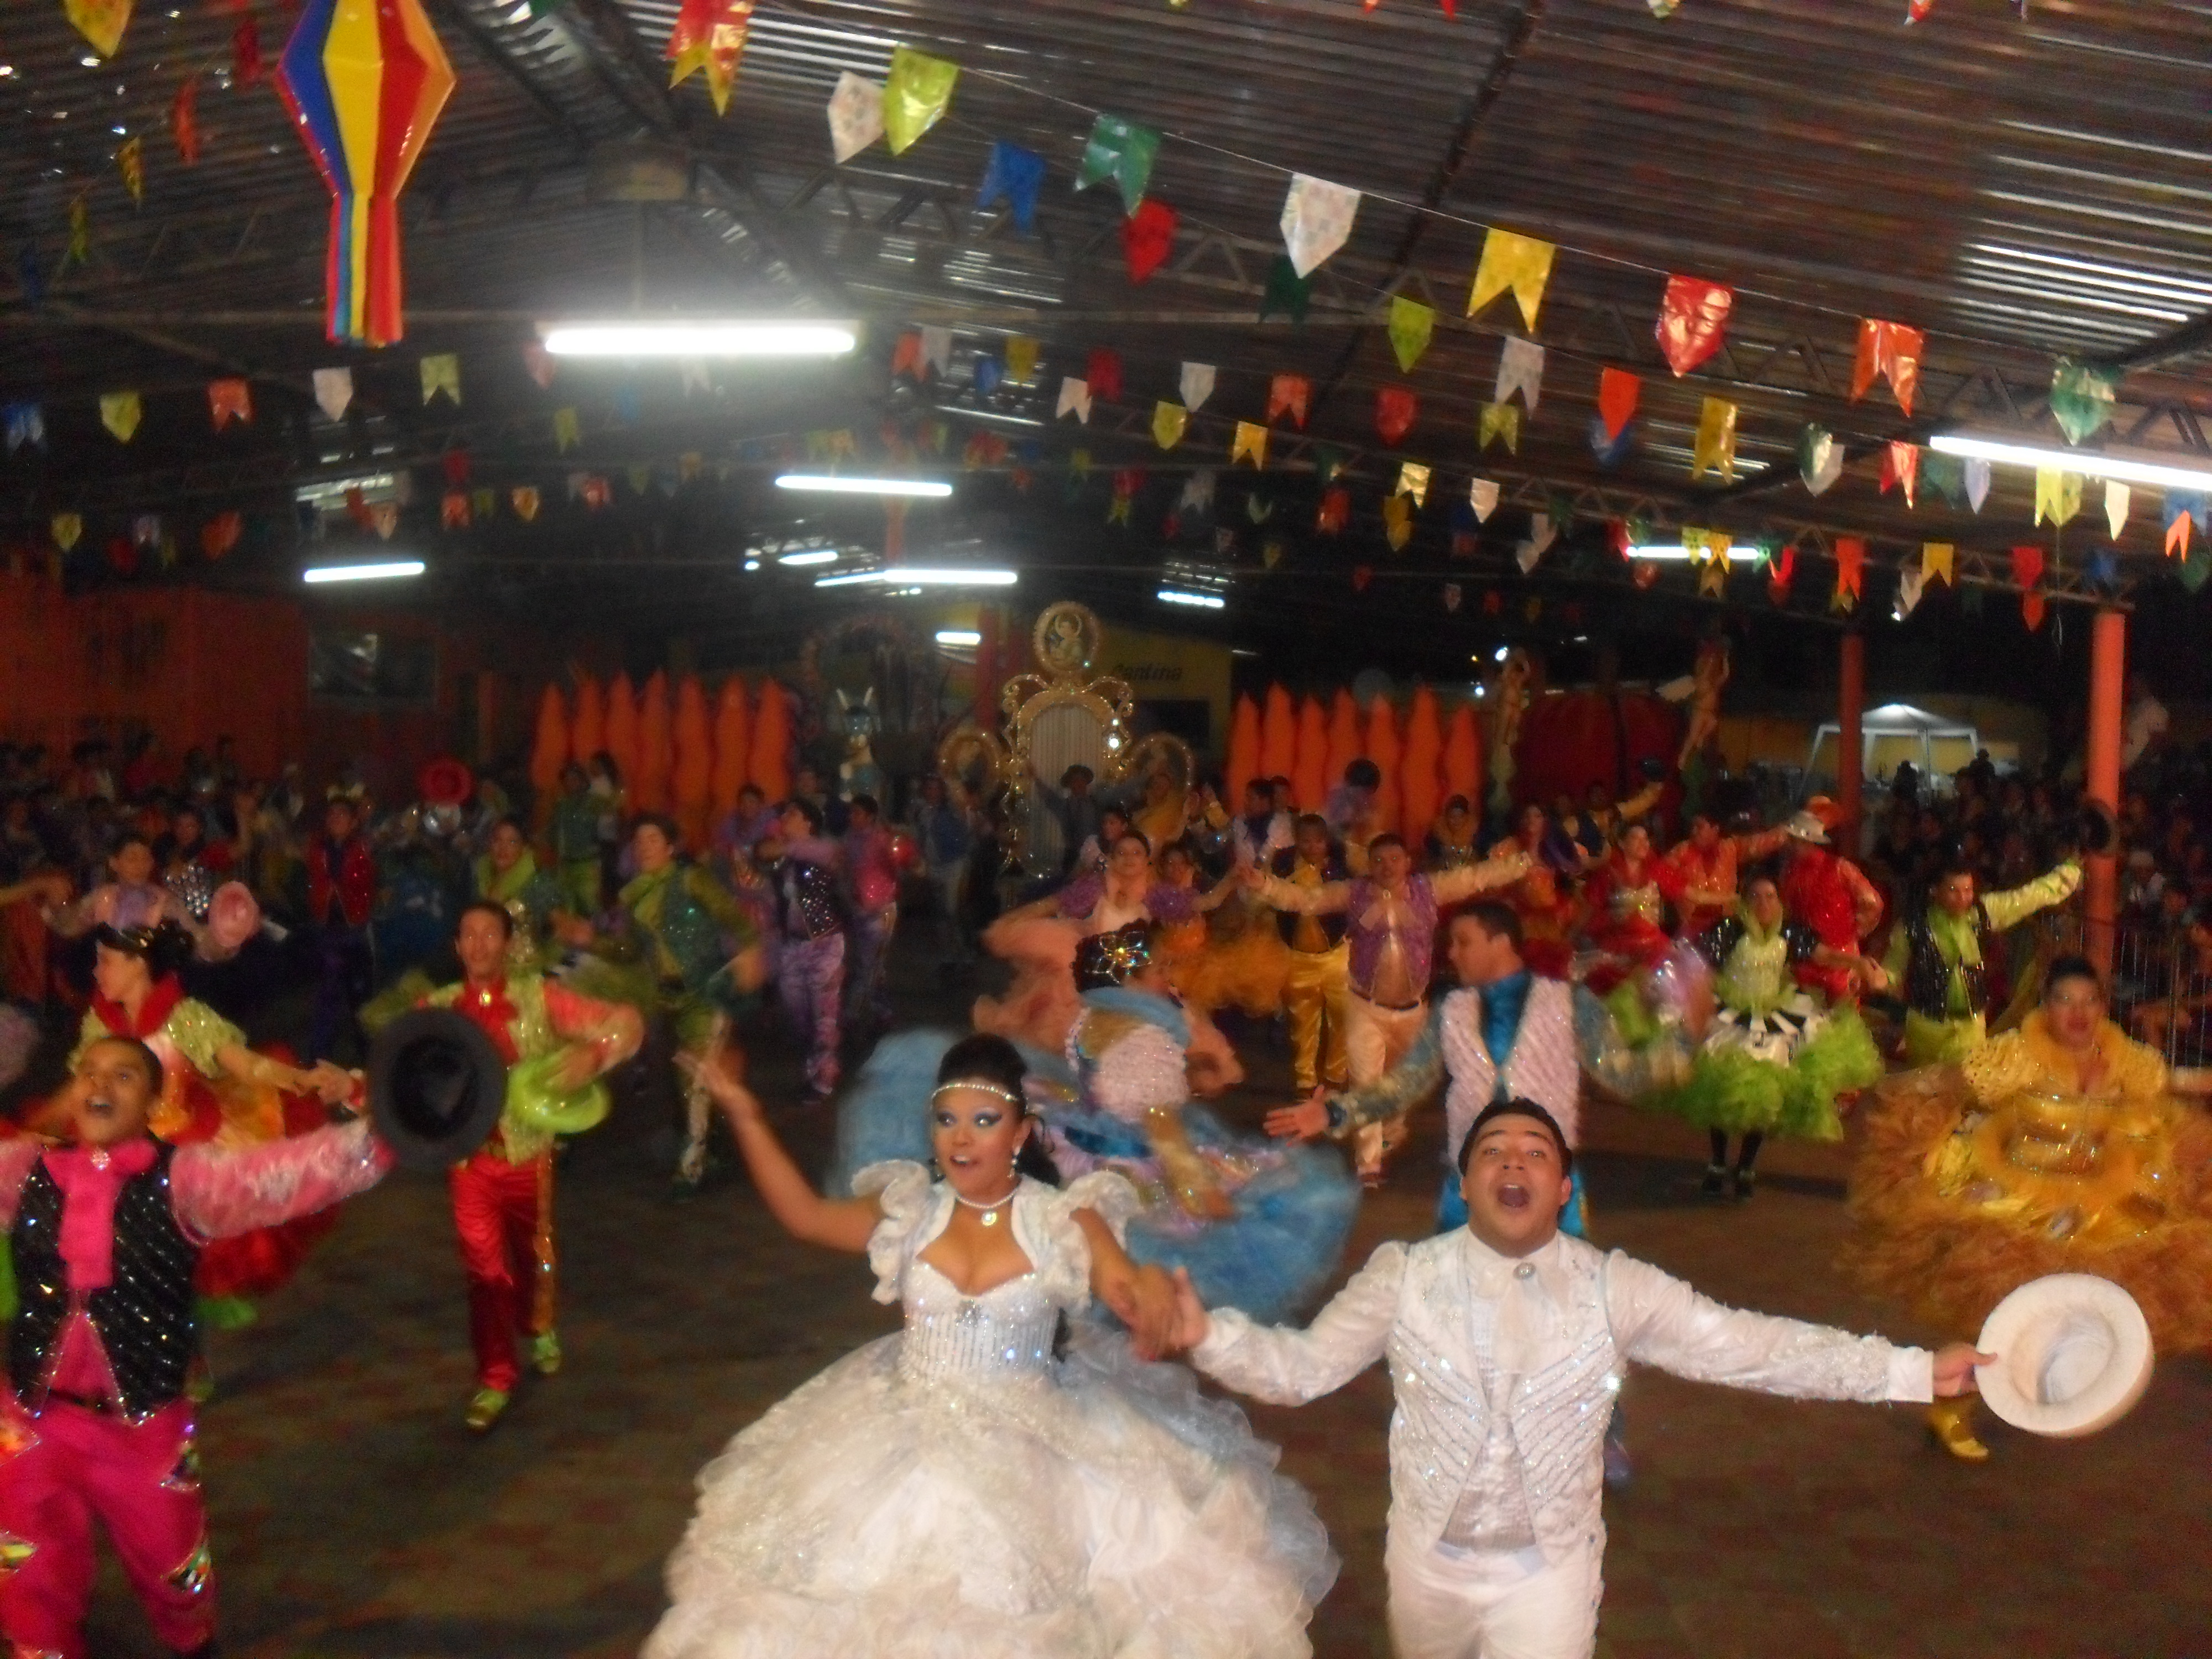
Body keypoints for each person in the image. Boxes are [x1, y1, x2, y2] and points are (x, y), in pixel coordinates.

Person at [1172, 1094, 1989, 1659]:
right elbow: (1302, 1369)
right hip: (1425, 1565)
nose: (1513, 1162)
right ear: (1465, 1185)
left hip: (1549, 1573)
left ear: (1563, 1190)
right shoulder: (1404, 1275)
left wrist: (1914, 1370)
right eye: (1493, 1152)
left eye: (1536, 1153)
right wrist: (1205, 1334)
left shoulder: (1614, 1287)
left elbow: (1754, 1347)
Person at [646, 1035, 1337, 1659]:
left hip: (1030, 1439)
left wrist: (1152, 1288)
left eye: (984, 1120)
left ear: (1022, 1132)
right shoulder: (912, 1208)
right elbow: (807, 1217)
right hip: (898, 1429)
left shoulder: (1061, 1216)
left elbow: (1124, 1283)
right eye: (946, 1120)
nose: (961, 1138)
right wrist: (745, 1114)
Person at [0, 1034, 393, 1659]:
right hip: (33, 1418)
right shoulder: (25, 1171)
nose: (99, 1085)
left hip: (145, 1422)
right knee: (24, 1568)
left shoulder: (184, 1179)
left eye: (123, 1076)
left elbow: (280, 1176)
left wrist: (387, 1129)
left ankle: (192, 1641)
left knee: (174, 1565)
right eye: (89, 1072)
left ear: (154, 1102)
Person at [1848, 954, 2212, 1462]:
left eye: (2089, 1001)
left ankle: (2055, 1387)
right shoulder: (2015, 1056)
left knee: (2092, 1300)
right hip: (2019, 1196)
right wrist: (1897, 1089)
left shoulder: (2129, 1062)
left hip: (2099, 1204)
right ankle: (1952, 1406)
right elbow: (1952, 1082)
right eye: (2065, 1001)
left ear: (2103, 1006)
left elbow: (2166, 1091)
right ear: (2046, 1004)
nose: (2078, 1014)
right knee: (1996, 1304)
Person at [1049, 924, 1359, 1321]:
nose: (1168, 979)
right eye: (1159, 970)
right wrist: (1202, 1194)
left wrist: (1190, 1076)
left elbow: (1112, 1086)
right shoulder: (1147, 1039)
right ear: (1129, 981)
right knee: (1232, 1218)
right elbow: (1162, 1126)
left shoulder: (1090, 1021)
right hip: (1142, 1163)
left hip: (1089, 1151)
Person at [426, 901, 643, 1430]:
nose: (479, 944)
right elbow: (397, 1070)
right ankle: (496, 1375)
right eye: (469, 934)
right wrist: (352, 1090)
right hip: (470, 1165)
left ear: (507, 944)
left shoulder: (539, 998)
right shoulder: (437, 1009)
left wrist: (595, 1055)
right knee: (485, 1274)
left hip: (527, 1157)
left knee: (533, 1255)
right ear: (457, 946)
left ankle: (539, 1320)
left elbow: (625, 1023)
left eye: (490, 934)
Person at [1269, 902, 1583, 1234]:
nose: (1452, 954)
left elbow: (1620, 1070)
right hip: (1471, 1186)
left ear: (1501, 943)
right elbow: (1408, 1081)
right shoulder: (1453, 1010)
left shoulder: (1568, 1003)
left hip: (1550, 1189)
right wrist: (1335, 1112)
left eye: (1464, 942)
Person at [1245, 833, 1528, 1181]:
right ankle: (1368, 1164)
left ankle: (1390, 1132)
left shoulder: (1429, 890)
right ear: (1369, 865)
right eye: (1379, 860)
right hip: (1365, 1008)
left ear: (1408, 863)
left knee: (1400, 1086)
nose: (1387, 867)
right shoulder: (1354, 894)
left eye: (1395, 859)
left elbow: (1474, 878)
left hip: (1412, 1012)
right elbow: (1307, 899)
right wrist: (1263, 884)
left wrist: (1521, 864)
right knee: (1366, 1084)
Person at [1611, 874, 1887, 1199]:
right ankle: (1717, 1162)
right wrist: (1669, 988)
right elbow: (1697, 962)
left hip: (1773, 1019)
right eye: (1756, 897)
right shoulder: (1730, 930)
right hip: (1731, 1016)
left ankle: (1745, 1166)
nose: (1764, 904)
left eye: (1770, 897)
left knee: (1763, 1094)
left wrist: (1858, 962)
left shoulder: (1788, 932)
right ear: (1745, 901)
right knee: (1722, 1088)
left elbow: (1822, 955)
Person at [561, 814, 763, 1193]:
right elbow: (629, 950)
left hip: (706, 992)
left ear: (671, 847)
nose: (645, 848)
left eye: (653, 839)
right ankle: (712, 1148)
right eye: (639, 841)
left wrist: (751, 952)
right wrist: (592, 941)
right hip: (669, 998)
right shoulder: (636, 896)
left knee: (693, 1082)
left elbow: (735, 918)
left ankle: (691, 1171)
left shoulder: (691, 879)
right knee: (682, 1079)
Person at [1882, 854, 2083, 1065]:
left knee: (1970, 1080)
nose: (1962, 898)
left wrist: (2066, 875)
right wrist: (1882, 979)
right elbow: (1893, 970)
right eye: (1953, 890)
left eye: (1968, 890)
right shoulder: (1913, 927)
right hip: (1927, 1029)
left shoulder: (1981, 914)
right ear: (1935, 891)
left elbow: (2026, 898)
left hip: (1971, 1028)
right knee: (1926, 1083)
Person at [754, 797, 848, 1105]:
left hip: (825, 944)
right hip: (791, 947)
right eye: (783, 815)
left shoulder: (823, 849)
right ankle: (816, 1069)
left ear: (809, 822)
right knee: (800, 1018)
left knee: (824, 1017)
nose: (785, 818)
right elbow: (760, 858)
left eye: (792, 814)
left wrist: (782, 845)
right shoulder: (779, 857)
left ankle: (823, 1079)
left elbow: (825, 854)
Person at [1270, 815, 1353, 1097]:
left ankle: (1336, 1073)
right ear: (1296, 840)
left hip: (1335, 955)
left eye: (1318, 841)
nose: (1312, 847)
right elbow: (1271, 898)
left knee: (1343, 1015)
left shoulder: (1339, 867)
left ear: (1326, 841)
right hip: (1298, 957)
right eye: (1305, 840)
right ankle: (1305, 1079)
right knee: (1302, 1021)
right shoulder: (1283, 866)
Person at [304, 790, 379, 1064]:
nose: (336, 819)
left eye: (343, 814)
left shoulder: (364, 848)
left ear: (353, 821)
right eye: (332, 814)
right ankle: (319, 1056)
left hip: (355, 928)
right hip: (328, 929)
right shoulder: (318, 848)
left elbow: (369, 880)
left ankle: (369, 1053)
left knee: (362, 994)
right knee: (328, 992)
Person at [840, 793, 901, 1034]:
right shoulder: (849, 839)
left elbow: (895, 868)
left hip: (879, 909)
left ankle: (852, 1013)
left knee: (868, 964)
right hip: (860, 908)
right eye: (852, 812)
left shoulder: (880, 840)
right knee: (872, 964)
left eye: (858, 813)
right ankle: (882, 1011)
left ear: (870, 817)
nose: (852, 817)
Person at [471, 815, 565, 970]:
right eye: (498, 841)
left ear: (524, 847)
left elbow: (561, 925)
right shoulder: (480, 879)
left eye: (512, 842)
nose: (503, 849)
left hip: (527, 969)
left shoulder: (537, 883)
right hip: (487, 967)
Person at [912, 773, 980, 973]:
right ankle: (948, 953)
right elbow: (921, 837)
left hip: (953, 864)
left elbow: (968, 828)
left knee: (952, 909)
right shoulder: (923, 812)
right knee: (940, 910)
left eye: (936, 788)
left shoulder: (951, 811)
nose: (932, 792)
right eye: (929, 788)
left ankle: (964, 952)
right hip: (934, 864)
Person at [547, 761, 603, 917]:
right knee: (567, 906)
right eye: (567, 780)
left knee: (590, 906)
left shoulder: (594, 803)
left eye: (574, 779)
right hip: (566, 863)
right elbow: (553, 832)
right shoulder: (562, 805)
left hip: (588, 862)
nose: (571, 784)